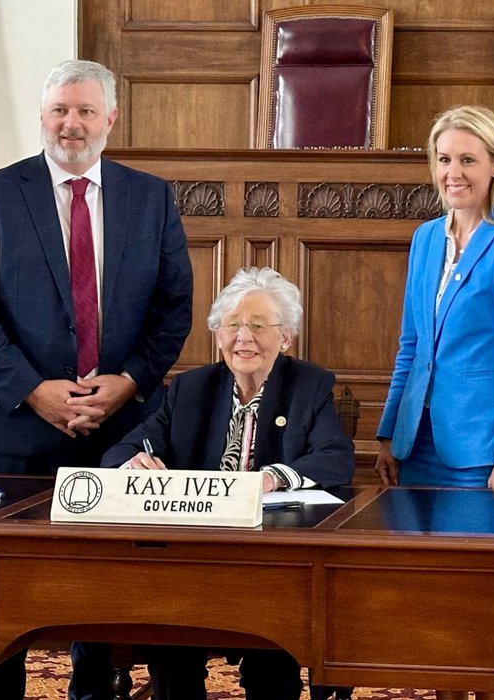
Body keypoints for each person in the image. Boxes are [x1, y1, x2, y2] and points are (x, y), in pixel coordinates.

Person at [0, 59, 193, 700]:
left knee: (104, 584)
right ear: (42, 116)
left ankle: (93, 691)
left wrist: (129, 383)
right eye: (60, 109)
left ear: (110, 117)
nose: (71, 123)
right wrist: (34, 389)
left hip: (121, 426)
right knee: (1, 587)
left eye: (85, 110)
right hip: (11, 427)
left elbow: (174, 311)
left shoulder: (151, 196)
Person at [102, 266, 354, 700]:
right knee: (169, 635)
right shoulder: (190, 389)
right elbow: (119, 452)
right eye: (232, 326)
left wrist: (275, 477)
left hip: (273, 563)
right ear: (217, 334)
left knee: (275, 649)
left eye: (258, 326)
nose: (244, 338)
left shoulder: (308, 386)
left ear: (286, 337)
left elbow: (336, 458)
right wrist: (135, 463)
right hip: (193, 559)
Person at [374, 105, 494, 700]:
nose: (454, 172)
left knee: (480, 606)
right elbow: (411, 345)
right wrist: (388, 436)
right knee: (433, 602)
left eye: (468, 159)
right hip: (417, 447)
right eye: (444, 159)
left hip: (480, 454)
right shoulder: (424, 238)